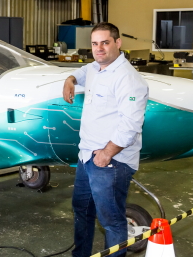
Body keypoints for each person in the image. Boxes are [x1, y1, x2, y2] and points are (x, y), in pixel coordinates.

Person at [62, 22, 149, 257]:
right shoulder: (96, 68)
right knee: (82, 210)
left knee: (111, 220)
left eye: (105, 42)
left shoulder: (128, 79)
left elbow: (130, 125)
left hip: (111, 161)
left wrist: (106, 153)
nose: (99, 48)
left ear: (118, 43)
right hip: (86, 156)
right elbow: (84, 70)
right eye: (94, 43)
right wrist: (70, 78)